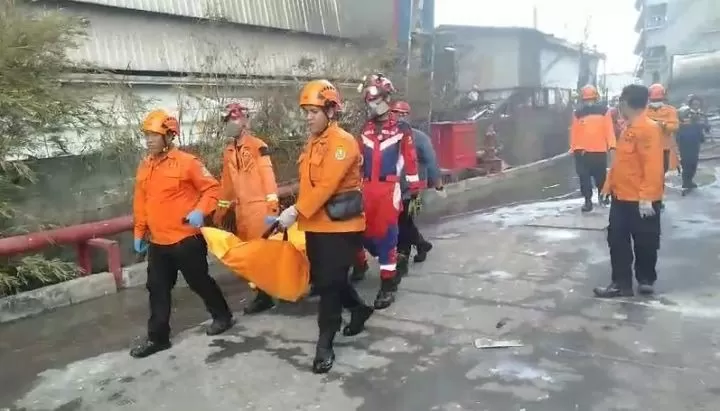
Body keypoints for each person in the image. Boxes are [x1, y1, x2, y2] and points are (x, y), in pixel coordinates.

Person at [275, 79, 373, 374]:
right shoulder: (312, 143)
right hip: (315, 226)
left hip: (342, 228)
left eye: (313, 111)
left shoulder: (342, 142)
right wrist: (294, 213)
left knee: (329, 287)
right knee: (326, 279)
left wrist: (294, 210)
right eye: (305, 111)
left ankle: (325, 344)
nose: (308, 117)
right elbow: (308, 187)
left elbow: (327, 186)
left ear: (331, 110)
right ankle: (358, 309)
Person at [131, 109, 234, 358]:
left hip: (185, 239)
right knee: (156, 288)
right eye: (147, 136)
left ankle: (222, 316)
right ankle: (158, 337)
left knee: (199, 281)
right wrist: (139, 232)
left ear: (169, 136)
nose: (149, 140)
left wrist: (201, 211)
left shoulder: (188, 163)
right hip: (158, 242)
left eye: (154, 135)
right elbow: (141, 202)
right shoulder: (146, 167)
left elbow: (213, 189)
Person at [354, 73, 423, 309]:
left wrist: (414, 190)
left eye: (375, 99)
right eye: (368, 100)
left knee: (386, 236)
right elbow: (357, 161)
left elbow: (411, 160)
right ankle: (389, 260)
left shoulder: (402, 130)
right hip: (366, 188)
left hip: (388, 189)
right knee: (363, 234)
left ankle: (388, 284)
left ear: (386, 98)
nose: (372, 105)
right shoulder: (365, 129)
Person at [595, 85, 664, 298]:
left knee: (646, 241)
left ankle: (645, 280)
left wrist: (647, 198)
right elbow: (620, 164)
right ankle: (621, 283)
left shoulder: (648, 128)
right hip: (621, 197)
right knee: (617, 240)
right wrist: (608, 187)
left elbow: (653, 166)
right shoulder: (629, 127)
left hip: (641, 200)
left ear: (625, 103)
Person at [212, 102, 280, 314]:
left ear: (244, 120)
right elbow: (227, 185)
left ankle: (268, 293)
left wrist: (273, 209)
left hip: (259, 210)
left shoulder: (257, 146)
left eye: (233, 119)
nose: (229, 125)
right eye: (227, 121)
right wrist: (220, 211)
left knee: (262, 255)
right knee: (250, 257)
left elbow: (268, 179)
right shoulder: (230, 151)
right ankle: (262, 293)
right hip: (242, 211)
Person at [390, 100, 443, 275]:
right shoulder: (388, 137)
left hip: (413, 190)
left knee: (403, 221)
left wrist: (437, 183)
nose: (400, 117)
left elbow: (431, 160)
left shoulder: (419, 138)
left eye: (404, 114)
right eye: (397, 113)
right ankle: (421, 245)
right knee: (402, 222)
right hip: (393, 189)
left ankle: (402, 258)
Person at [569, 85, 617, 212]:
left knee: (599, 177)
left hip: (596, 151)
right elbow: (574, 132)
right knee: (585, 178)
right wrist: (573, 148)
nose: (589, 102)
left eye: (590, 99)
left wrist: (612, 145)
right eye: (587, 100)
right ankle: (589, 201)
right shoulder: (578, 113)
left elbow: (608, 130)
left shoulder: (604, 111)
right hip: (584, 151)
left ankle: (602, 196)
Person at [676, 94, 710, 193]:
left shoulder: (702, 115)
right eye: (694, 104)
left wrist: (705, 126)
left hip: (695, 142)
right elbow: (677, 126)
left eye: (697, 104)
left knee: (694, 163)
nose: (696, 106)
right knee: (687, 162)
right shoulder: (683, 113)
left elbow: (707, 128)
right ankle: (685, 182)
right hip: (684, 142)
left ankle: (689, 180)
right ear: (690, 105)